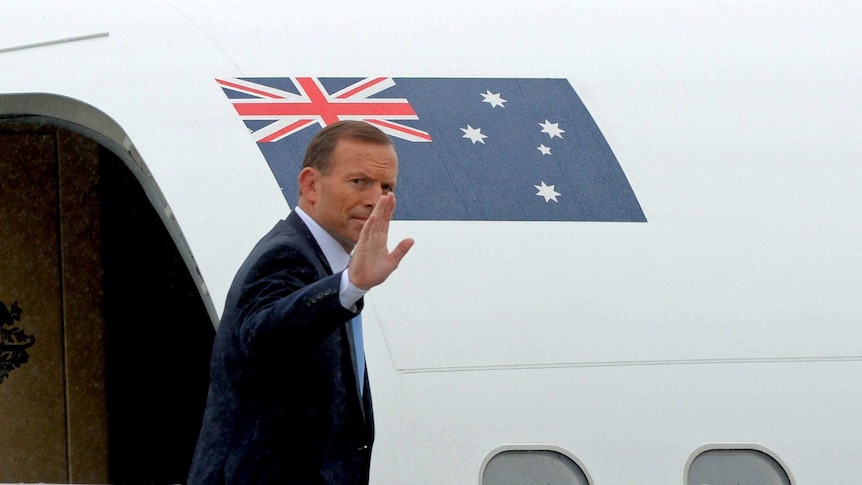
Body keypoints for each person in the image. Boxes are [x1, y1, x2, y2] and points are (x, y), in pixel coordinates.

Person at [187, 120, 414, 485]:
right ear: (310, 184)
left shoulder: (329, 265)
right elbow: (265, 336)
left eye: (386, 187)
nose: (375, 199)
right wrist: (349, 286)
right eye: (359, 182)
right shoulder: (286, 255)